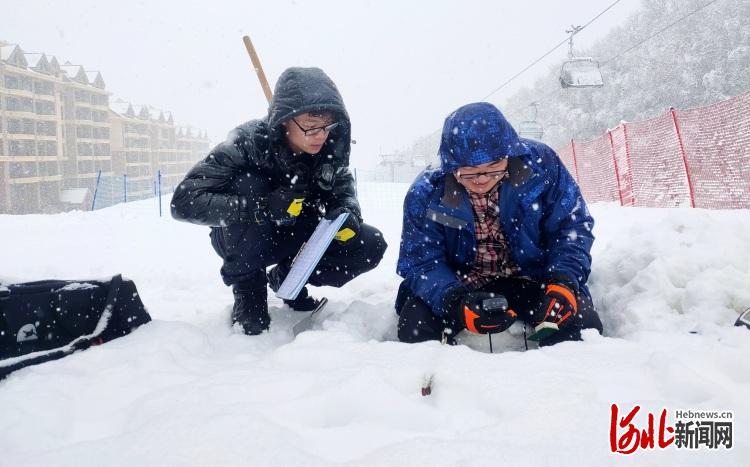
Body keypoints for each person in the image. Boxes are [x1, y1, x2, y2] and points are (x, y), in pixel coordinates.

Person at [172, 67, 387, 335]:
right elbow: (184, 201)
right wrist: (262, 206)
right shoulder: (248, 141)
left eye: (327, 126)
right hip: (242, 236)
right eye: (310, 127)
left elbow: (343, 191)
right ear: (285, 120)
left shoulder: (329, 150)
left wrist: (346, 214)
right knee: (249, 181)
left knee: (369, 243)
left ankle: (287, 277)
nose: (321, 135)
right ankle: (248, 293)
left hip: (296, 232)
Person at [395, 102, 602, 346]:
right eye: (470, 171)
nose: (482, 179)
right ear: (451, 165)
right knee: (414, 328)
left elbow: (572, 228)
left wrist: (564, 281)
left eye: (494, 167)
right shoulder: (426, 192)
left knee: (582, 326)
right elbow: (421, 260)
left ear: (509, 153)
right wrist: (454, 301)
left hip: (532, 278)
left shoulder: (542, 166)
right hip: (462, 284)